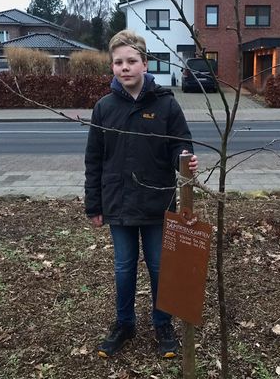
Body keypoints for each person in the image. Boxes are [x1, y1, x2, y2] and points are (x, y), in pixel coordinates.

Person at [84, 29, 198, 359]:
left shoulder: (165, 104)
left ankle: (163, 323)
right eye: (118, 62)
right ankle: (124, 323)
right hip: (118, 204)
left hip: (157, 203)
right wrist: (94, 203)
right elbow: (94, 159)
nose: (125, 67)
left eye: (132, 61)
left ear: (145, 64)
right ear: (112, 68)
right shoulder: (104, 108)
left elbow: (181, 142)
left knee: (160, 266)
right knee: (124, 267)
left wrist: (187, 158)